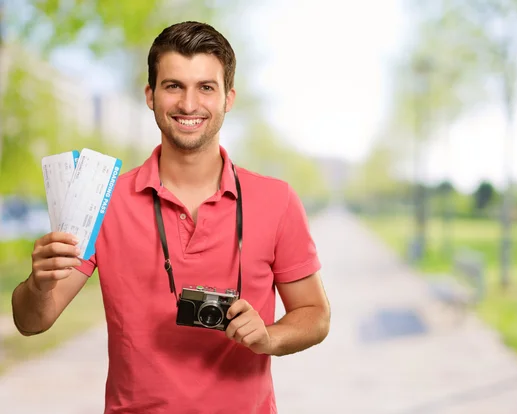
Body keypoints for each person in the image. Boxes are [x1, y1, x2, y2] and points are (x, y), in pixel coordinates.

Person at [11, 21, 331, 414]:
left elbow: (315, 314)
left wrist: (270, 337)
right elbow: (32, 322)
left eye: (206, 87)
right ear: (150, 95)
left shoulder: (277, 200)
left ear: (229, 98)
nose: (189, 104)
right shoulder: (102, 201)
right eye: (173, 85)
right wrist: (39, 285)